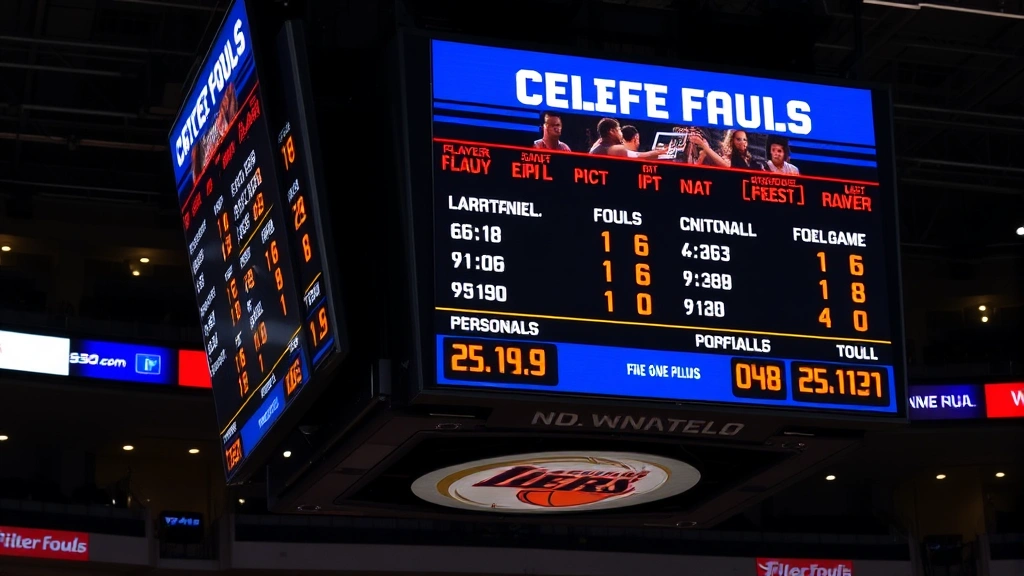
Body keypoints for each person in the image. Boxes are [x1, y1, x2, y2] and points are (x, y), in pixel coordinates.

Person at [588, 118, 664, 159]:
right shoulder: (613, 149)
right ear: (611, 131)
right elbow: (641, 156)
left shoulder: (596, 145)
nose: (621, 134)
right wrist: (662, 152)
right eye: (619, 130)